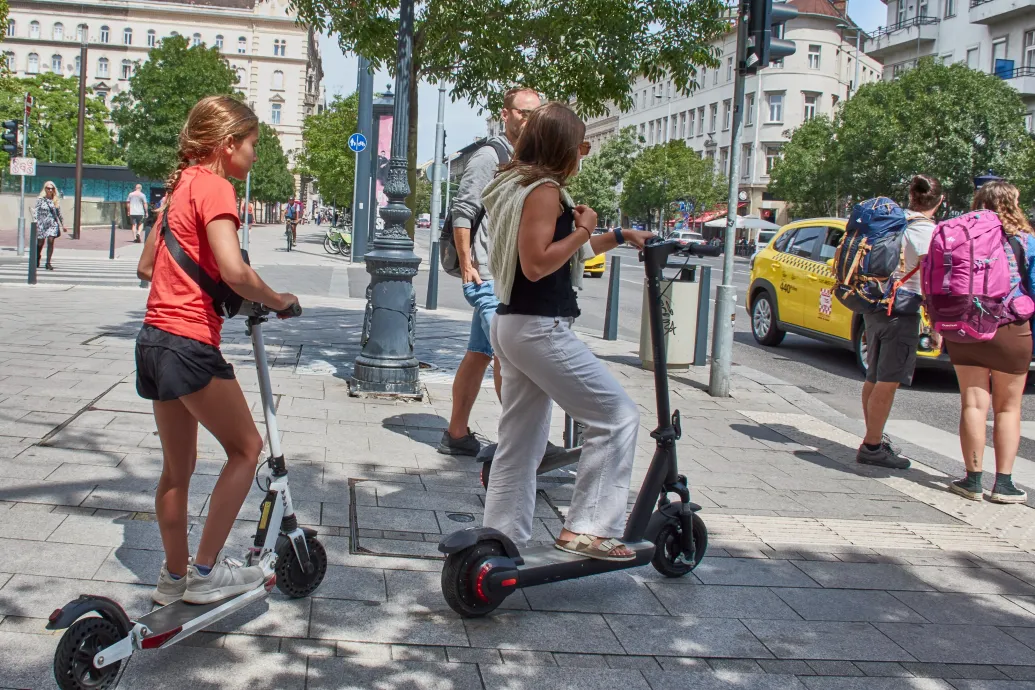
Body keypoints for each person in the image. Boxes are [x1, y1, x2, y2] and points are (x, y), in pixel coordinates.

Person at [134, 96, 300, 605]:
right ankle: (205, 573)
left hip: (153, 342)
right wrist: (277, 300)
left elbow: (146, 267)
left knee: (176, 471)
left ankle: (174, 578)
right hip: (188, 343)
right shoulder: (215, 187)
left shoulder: (178, 187)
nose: (254, 155)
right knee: (247, 449)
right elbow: (233, 269)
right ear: (227, 145)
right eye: (251, 145)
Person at [480, 102, 654, 559]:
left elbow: (560, 252)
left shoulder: (518, 184)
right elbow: (538, 263)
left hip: (515, 322)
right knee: (616, 416)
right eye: (582, 146)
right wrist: (583, 231)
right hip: (539, 327)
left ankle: (500, 538)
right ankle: (589, 528)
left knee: (520, 443)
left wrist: (615, 236)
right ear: (565, 148)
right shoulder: (543, 190)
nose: (584, 155)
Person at [437, 86, 542, 456]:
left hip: (504, 275)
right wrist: (467, 263)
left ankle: (456, 433)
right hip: (487, 274)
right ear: (506, 114)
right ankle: (524, 445)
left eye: (535, 113)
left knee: (480, 352)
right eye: (522, 112)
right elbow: (463, 210)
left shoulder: (523, 157)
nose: (529, 119)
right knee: (509, 357)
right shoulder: (490, 155)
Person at [944, 181, 1030, 503]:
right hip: (1011, 328)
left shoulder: (962, 236)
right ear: (1012, 204)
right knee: (1008, 408)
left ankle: (972, 480)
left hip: (966, 327)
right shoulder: (1024, 240)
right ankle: (1004, 484)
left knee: (973, 403)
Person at [857, 175, 942, 470]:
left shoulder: (892, 222)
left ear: (911, 196)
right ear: (939, 201)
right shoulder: (926, 232)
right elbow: (931, 277)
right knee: (888, 381)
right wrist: (933, 322)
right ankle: (871, 446)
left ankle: (874, 438)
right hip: (901, 309)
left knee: (873, 376)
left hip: (874, 304)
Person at [34, 181, 67, 271]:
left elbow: (59, 213)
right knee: (40, 243)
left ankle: (48, 263)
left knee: (51, 240)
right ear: (45, 189)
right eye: (48, 188)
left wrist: (63, 225)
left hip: (52, 224)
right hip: (42, 224)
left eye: (52, 188)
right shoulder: (40, 199)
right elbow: (36, 211)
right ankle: (37, 257)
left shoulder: (55, 200)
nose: (50, 190)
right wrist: (35, 222)